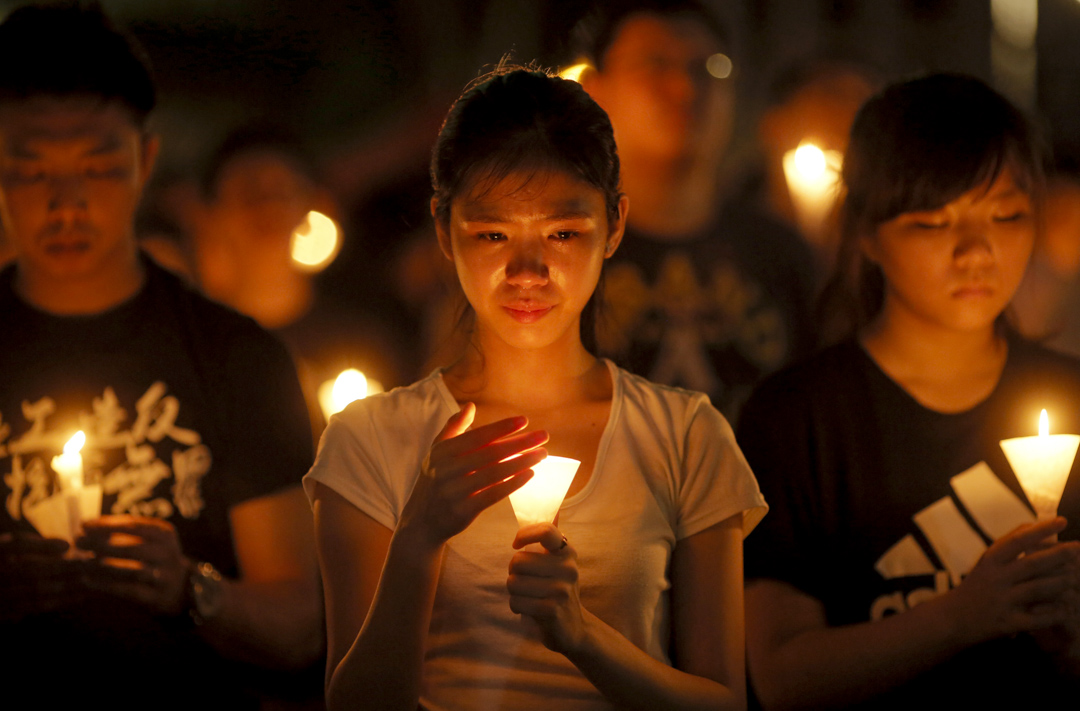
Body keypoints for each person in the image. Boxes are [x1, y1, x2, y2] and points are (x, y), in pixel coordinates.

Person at [306, 66, 767, 710]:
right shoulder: (371, 439)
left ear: (614, 227)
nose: (528, 270)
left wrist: (581, 637)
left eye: (562, 234)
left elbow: (725, 702)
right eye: (492, 233)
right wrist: (420, 537)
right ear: (444, 229)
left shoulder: (686, 435)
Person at [0, 6, 322, 708]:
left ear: (144, 161)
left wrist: (189, 587)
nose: (66, 203)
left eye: (97, 166)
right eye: (30, 170)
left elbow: (301, 624)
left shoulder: (237, 355)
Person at [738, 73, 1080, 709]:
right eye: (932, 223)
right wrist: (965, 613)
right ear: (867, 234)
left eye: (1007, 215)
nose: (976, 251)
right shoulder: (796, 419)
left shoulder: (1071, 396)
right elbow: (781, 676)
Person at [576, 0, 817, 421]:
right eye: (654, 64)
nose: (685, 88)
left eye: (709, 68)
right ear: (596, 90)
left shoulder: (783, 256)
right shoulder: (563, 252)